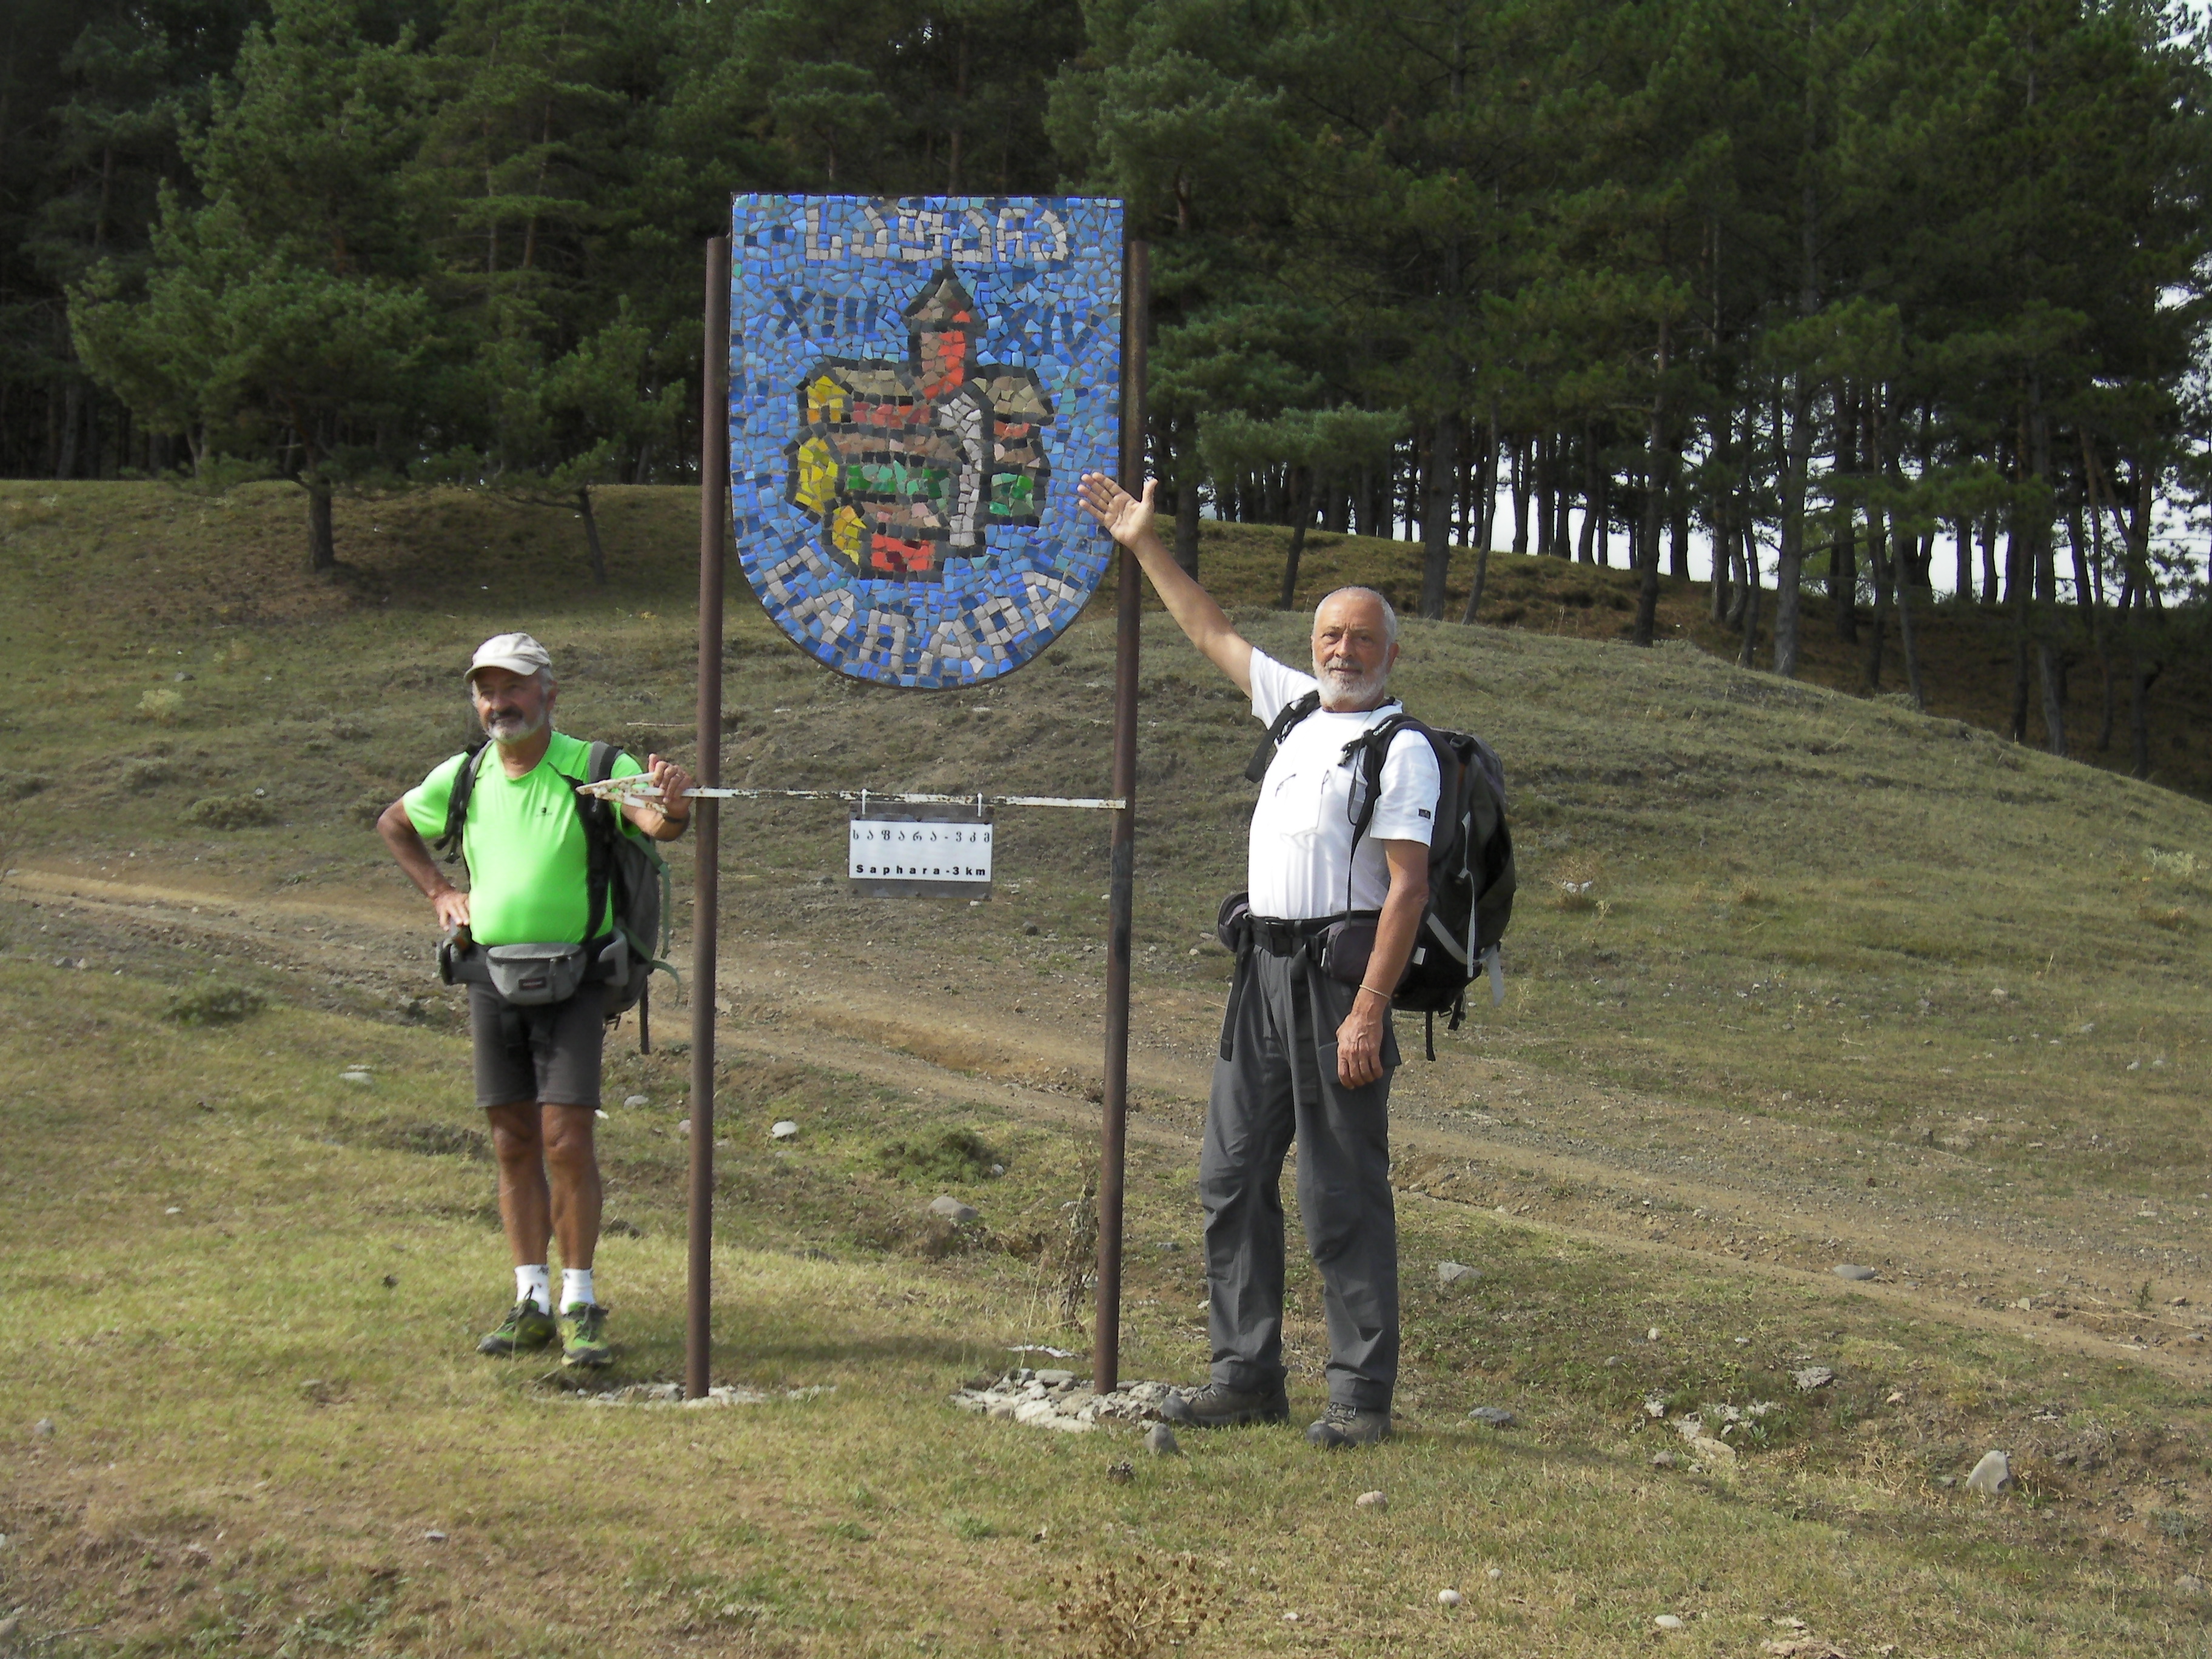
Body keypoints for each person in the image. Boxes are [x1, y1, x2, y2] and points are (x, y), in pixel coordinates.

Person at [1079, 473, 1438, 1449]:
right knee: (1229, 1176)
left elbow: (1408, 889)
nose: (1342, 651)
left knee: (1340, 1191)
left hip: (1336, 985)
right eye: (1330, 635)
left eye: (1362, 638)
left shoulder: (1402, 749)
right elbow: (1211, 632)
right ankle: (1246, 1375)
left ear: (1392, 652)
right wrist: (1143, 543)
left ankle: (1361, 1398)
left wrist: (1369, 1011)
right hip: (1258, 978)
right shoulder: (1292, 711)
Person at [377, 633, 694, 1368]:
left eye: (513, 688)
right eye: (486, 690)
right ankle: (531, 1302)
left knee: (566, 1142)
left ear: (549, 693)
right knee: (511, 1142)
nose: (499, 703)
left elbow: (659, 824)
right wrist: (441, 894)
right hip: (491, 978)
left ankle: (580, 1301)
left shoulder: (594, 767)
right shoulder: (463, 776)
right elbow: (395, 823)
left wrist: (670, 804)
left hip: (574, 981)